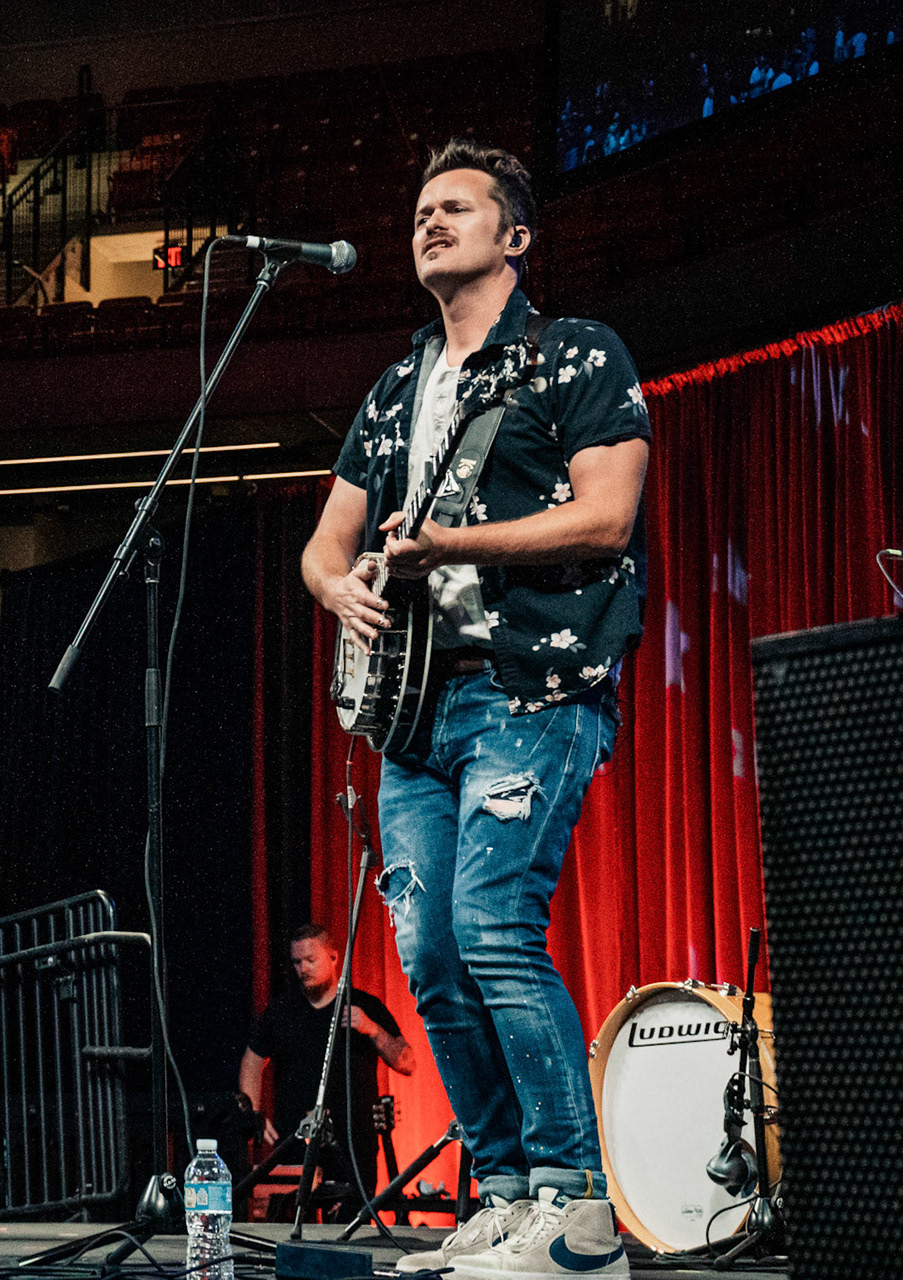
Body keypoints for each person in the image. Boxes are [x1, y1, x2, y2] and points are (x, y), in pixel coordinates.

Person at [303, 139, 649, 1279]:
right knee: (434, 954)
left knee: (495, 924)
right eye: (420, 212)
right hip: (414, 710)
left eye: (457, 206)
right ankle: (505, 1195)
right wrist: (339, 587)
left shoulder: (573, 352)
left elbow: (607, 515)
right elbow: (324, 543)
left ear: (516, 237)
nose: (431, 222)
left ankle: (576, 1203)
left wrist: (453, 543)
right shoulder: (398, 385)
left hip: (530, 686)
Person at [237, 924, 414, 1215]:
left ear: (333, 958)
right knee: (292, 1218)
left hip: (354, 1142)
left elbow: (407, 1062)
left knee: (351, 1220)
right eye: (297, 962)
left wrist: (372, 1029)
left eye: (311, 960)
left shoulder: (364, 1005)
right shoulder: (282, 1011)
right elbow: (252, 1061)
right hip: (296, 1140)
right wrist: (254, 1114)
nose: (303, 969)